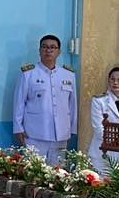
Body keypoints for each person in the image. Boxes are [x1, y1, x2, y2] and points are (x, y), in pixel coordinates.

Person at [13, 35, 76, 165]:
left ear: (59, 52)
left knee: (58, 172)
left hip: (60, 134)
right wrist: (18, 128)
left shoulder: (68, 75)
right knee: (33, 171)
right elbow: (19, 102)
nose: (48, 50)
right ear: (39, 50)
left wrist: (72, 130)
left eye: (53, 47)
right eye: (45, 47)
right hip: (34, 134)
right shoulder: (28, 74)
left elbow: (72, 105)